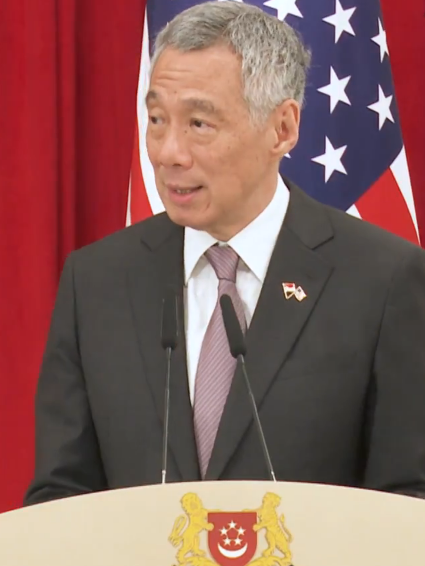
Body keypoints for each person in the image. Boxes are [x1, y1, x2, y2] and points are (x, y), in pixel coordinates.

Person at [24, 1, 425, 505]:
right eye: (156, 119)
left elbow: (408, 500)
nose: (169, 152)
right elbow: (61, 494)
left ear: (282, 129)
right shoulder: (98, 281)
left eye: (199, 124)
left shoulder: (384, 279)